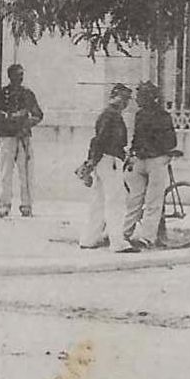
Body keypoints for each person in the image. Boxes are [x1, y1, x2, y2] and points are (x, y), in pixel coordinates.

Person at [78, 84, 137, 253]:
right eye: (122, 98)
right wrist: (91, 162)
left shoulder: (110, 115)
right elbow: (99, 140)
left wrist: (92, 162)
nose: (124, 103)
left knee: (99, 201)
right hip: (109, 161)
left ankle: (89, 239)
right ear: (113, 96)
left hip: (105, 161)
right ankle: (117, 243)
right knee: (115, 202)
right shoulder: (111, 116)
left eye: (127, 99)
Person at [123, 82, 177, 248]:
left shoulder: (140, 115)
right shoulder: (164, 116)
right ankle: (147, 237)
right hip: (155, 160)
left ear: (148, 98)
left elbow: (136, 139)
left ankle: (124, 233)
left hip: (141, 160)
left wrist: (132, 153)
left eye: (140, 97)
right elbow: (171, 141)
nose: (138, 100)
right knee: (153, 200)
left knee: (135, 199)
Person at [0, 64, 43, 218]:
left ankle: (26, 205)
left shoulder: (28, 94)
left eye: (21, 75)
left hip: (23, 137)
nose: (20, 78)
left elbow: (38, 115)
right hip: (6, 136)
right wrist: (8, 118)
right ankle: (4, 205)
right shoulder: (2, 94)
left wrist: (26, 122)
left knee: (26, 173)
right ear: (10, 76)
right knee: (4, 172)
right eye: (17, 75)